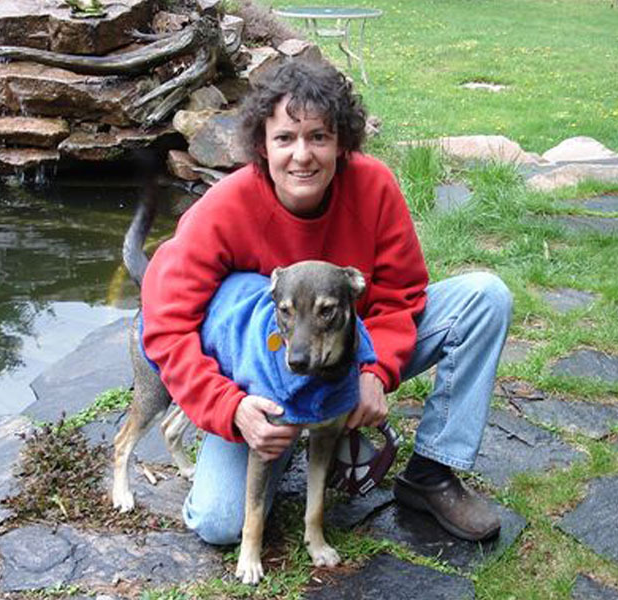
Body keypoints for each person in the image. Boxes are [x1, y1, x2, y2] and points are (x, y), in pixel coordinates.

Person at [139, 58, 512, 545]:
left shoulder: (374, 186)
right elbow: (166, 325)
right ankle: (295, 432)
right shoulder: (224, 209)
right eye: (285, 138)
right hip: (259, 381)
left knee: (484, 298)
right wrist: (229, 408)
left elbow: (402, 296)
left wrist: (375, 370)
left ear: (342, 143)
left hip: (349, 351)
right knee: (219, 523)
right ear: (261, 145)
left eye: (319, 137)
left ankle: (432, 473)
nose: (302, 155)